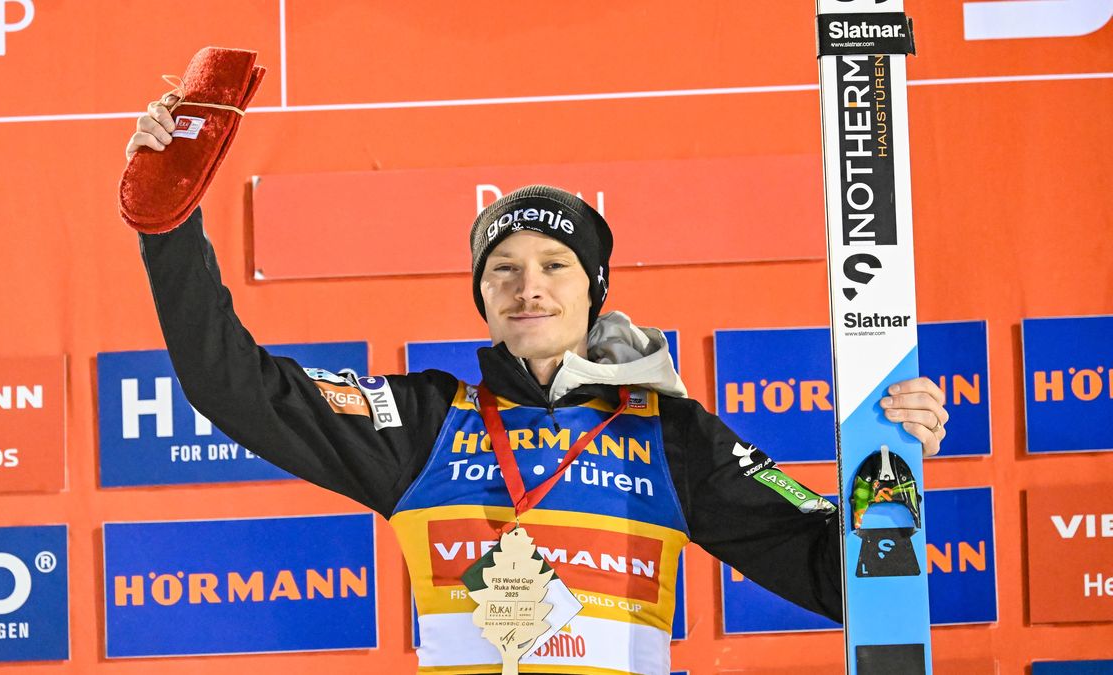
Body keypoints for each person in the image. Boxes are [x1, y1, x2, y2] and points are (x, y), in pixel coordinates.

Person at [126, 100, 948, 675]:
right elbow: (233, 386)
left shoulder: (672, 433)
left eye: (555, 267)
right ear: (481, 296)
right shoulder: (424, 421)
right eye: (504, 271)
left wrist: (890, 479)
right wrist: (171, 224)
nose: (530, 287)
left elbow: (834, 575)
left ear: (595, 290)